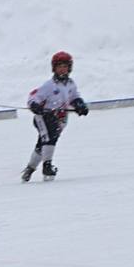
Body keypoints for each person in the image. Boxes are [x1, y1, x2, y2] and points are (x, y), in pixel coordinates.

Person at [22, 51, 89, 183]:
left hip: (59, 117)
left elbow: (74, 97)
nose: (62, 69)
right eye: (59, 66)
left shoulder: (71, 84)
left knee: (42, 144)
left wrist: (80, 104)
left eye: (65, 66)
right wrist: (35, 105)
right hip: (43, 117)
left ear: (69, 67)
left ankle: (30, 169)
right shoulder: (49, 85)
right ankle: (47, 166)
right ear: (54, 68)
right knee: (50, 138)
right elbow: (34, 97)